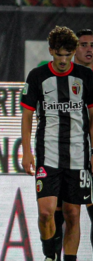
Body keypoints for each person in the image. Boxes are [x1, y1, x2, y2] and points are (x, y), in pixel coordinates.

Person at [21, 26, 93, 261]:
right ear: (51, 51)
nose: (63, 60)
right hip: (47, 153)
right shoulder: (37, 76)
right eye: (59, 54)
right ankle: (48, 252)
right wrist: (27, 152)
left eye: (68, 55)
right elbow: (27, 115)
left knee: (73, 213)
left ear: (73, 52)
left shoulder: (86, 78)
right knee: (45, 212)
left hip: (78, 154)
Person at [53, 28, 93, 261]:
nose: (89, 49)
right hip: (66, 157)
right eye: (84, 44)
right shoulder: (59, 79)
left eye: (92, 45)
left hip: (87, 156)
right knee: (61, 214)